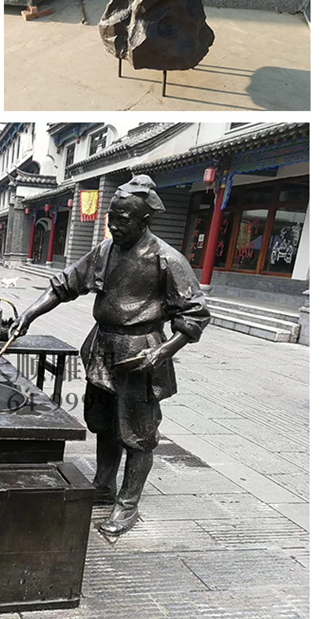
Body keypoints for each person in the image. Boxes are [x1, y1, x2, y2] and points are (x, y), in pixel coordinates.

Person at [12, 175, 210, 538]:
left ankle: (128, 502)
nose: (115, 226)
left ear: (143, 221)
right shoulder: (104, 251)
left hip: (140, 352)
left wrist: (163, 352)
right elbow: (65, 284)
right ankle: (103, 484)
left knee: (138, 433)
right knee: (103, 423)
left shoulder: (168, 259)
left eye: (124, 220)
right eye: (112, 218)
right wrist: (28, 313)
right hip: (102, 346)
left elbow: (195, 316)